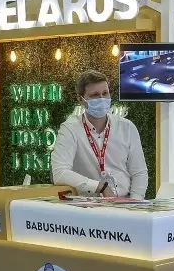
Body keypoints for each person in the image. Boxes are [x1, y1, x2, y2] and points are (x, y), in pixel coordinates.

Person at [51, 69, 149, 198]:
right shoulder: (70, 129)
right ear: (81, 100)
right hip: (88, 205)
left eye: (105, 93)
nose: (102, 99)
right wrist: (100, 187)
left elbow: (139, 173)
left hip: (124, 202)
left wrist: (134, 202)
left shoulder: (127, 127)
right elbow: (59, 173)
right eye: (95, 95)